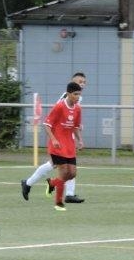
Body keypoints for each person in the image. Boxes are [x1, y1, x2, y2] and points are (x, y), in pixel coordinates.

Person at [21, 72, 87, 203]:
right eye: (80, 81)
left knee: (62, 167)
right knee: (59, 166)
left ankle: (64, 192)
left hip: (68, 137)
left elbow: (73, 117)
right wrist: (56, 137)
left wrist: (77, 130)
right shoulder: (65, 98)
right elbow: (56, 115)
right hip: (59, 137)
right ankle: (62, 191)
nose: (82, 84)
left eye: (84, 82)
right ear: (72, 82)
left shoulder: (77, 99)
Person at [42, 81, 84, 212]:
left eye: (79, 94)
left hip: (69, 146)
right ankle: (58, 203)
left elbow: (75, 127)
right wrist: (53, 139)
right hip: (58, 146)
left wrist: (80, 140)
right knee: (64, 172)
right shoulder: (59, 107)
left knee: (72, 174)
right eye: (75, 94)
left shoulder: (78, 109)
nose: (78, 97)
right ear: (68, 94)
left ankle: (52, 183)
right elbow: (47, 125)